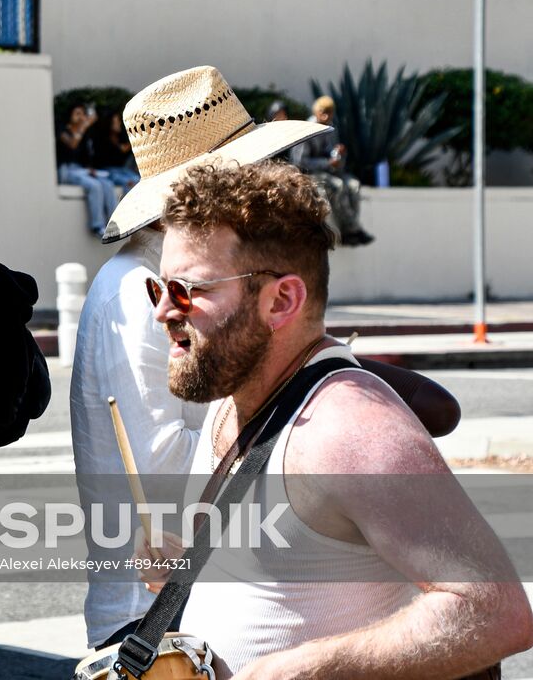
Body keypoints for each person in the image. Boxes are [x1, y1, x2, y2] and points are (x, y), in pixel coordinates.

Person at [137, 159, 532, 676]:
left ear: (281, 301)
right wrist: (191, 568)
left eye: (188, 290)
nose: (163, 311)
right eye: (158, 288)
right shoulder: (236, 391)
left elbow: (496, 612)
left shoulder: (345, 428)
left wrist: (299, 670)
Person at [72, 66, 331, 648]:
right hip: (155, 618)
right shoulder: (139, 289)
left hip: (192, 603)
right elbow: (159, 468)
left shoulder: (181, 278)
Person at [291, 95, 373, 245]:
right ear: (316, 112)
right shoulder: (307, 129)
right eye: (323, 111)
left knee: (354, 185)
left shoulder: (330, 128)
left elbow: (334, 156)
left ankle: (352, 228)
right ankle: (345, 230)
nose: (326, 116)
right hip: (309, 173)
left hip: (329, 170)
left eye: (329, 112)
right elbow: (300, 161)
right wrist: (327, 162)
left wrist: (340, 155)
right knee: (338, 186)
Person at [57, 102, 118, 238]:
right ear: (70, 116)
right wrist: (84, 126)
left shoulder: (85, 134)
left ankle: (114, 224)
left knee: (107, 184)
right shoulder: (62, 129)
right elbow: (72, 144)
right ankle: (97, 226)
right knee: (95, 186)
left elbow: (86, 157)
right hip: (66, 170)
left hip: (81, 170)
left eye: (83, 114)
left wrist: (91, 170)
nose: (81, 117)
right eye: (77, 114)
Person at [89, 110, 140, 190]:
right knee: (129, 182)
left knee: (138, 179)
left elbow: (124, 151)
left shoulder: (121, 136)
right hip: (107, 170)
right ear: (109, 123)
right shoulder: (101, 139)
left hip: (121, 169)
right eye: (116, 121)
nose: (119, 123)